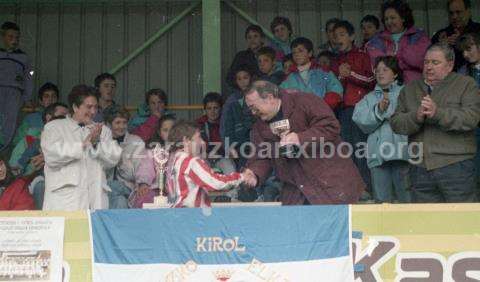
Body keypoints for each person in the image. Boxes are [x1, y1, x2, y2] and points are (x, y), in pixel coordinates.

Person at [244, 80, 365, 205]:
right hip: (296, 191)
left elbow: (331, 126)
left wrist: (300, 138)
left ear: (269, 98)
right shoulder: (259, 127)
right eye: (250, 109)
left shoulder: (304, 101)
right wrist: (254, 173)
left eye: (254, 107)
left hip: (332, 184)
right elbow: (261, 156)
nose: (253, 113)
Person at [390, 43, 480, 203]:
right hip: (419, 168)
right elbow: (396, 123)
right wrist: (415, 116)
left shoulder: (466, 84)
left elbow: (471, 118)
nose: (429, 67)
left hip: (456, 165)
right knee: (426, 223)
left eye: (435, 62)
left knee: (461, 222)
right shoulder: (409, 89)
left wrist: (437, 113)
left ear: (450, 65)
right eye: (426, 62)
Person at [41, 85, 122, 210]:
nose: (93, 111)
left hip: (96, 200)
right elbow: (51, 156)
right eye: (89, 107)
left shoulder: (103, 130)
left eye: (96, 107)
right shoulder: (54, 127)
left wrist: (96, 144)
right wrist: (84, 145)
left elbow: (113, 159)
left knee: (94, 229)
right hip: (64, 202)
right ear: (75, 107)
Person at [353, 56, 410, 203]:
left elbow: (412, 118)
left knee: (407, 200)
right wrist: (378, 110)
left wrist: (387, 110)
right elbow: (359, 119)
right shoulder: (369, 98)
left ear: (395, 73)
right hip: (377, 156)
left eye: (385, 69)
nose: (380, 73)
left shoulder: (407, 93)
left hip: (403, 154)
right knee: (382, 203)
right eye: (377, 70)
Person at [331, 20, 375, 194]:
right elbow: (334, 86)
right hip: (342, 111)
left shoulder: (362, 55)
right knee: (346, 150)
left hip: (359, 109)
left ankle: (367, 188)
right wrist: (342, 77)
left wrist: (350, 75)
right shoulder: (336, 60)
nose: (338, 39)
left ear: (352, 36)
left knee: (360, 149)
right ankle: (353, 190)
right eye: (335, 36)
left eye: (342, 34)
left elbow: (371, 80)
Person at [164, 121, 249, 208]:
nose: (203, 142)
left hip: (175, 214)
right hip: (191, 215)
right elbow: (216, 183)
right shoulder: (191, 162)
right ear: (186, 140)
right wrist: (242, 177)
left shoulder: (171, 161)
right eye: (199, 137)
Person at [365, 0, 430, 84]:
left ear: (403, 18)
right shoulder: (377, 40)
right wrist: (404, 61)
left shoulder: (418, 36)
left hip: (414, 88)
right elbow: (378, 64)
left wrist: (394, 60)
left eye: (392, 18)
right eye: (386, 19)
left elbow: (420, 60)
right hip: (388, 89)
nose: (389, 22)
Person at [281, 37, 344, 110]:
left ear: (310, 53)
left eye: (300, 51)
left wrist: (322, 106)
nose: (297, 54)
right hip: (299, 118)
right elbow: (280, 97)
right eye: (294, 52)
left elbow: (337, 91)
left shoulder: (324, 72)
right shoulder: (289, 77)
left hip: (322, 115)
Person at [197, 93, 238, 201]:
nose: (212, 111)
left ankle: (232, 197)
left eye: (216, 108)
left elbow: (231, 142)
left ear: (221, 108)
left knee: (229, 167)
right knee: (198, 168)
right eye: (209, 108)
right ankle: (200, 198)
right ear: (204, 110)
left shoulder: (226, 123)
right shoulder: (199, 124)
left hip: (222, 157)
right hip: (205, 157)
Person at [9, 102, 68, 177]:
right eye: (63, 115)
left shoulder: (73, 140)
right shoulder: (29, 141)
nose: (67, 120)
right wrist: (32, 168)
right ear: (49, 118)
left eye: (69, 116)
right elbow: (12, 173)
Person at [0, 22, 33, 152]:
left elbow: (29, 78)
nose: (14, 40)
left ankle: (3, 152)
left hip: (14, 92)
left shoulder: (23, 57)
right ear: (3, 37)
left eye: (17, 37)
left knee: (10, 122)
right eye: (10, 37)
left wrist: (27, 98)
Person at [104, 107, 145, 209]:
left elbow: (134, 175)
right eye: (117, 123)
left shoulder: (137, 142)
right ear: (108, 124)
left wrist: (121, 160)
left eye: (124, 122)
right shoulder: (102, 143)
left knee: (114, 188)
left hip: (127, 188)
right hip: (106, 190)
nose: (121, 126)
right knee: (120, 201)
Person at [132, 114, 176, 208]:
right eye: (165, 130)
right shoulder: (152, 150)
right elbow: (145, 169)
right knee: (144, 199)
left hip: (175, 191)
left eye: (172, 129)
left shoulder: (182, 151)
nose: (169, 133)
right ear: (159, 133)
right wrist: (144, 183)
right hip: (154, 189)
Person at [432, 0, 480, 70]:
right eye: (451, 13)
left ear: (468, 12)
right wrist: (441, 47)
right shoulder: (441, 35)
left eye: (458, 12)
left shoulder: (478, 30)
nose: (454, 17)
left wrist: (462, 43)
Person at [13, 82, 59, 147]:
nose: (50, 99)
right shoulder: (30, 119)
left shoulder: (63, 118)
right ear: (41, 101)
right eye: (46, 96)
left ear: (57, 100)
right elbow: (17, 142)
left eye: (53, 96)